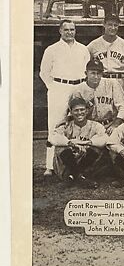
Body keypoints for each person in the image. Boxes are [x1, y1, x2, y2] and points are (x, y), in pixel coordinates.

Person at [39, 20, 89, 176]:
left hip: (78, 87)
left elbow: (87, 70)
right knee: (55, 125)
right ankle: (50, 166)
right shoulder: (52, 49)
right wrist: (54, 87)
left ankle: (81, 163)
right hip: (59, 88)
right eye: (66, 29)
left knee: (80, 121)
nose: (69, 32)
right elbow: (44, 72)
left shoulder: (83, 49)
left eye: (72, 29)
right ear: (60, 31)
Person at [48, 97, 110, 188]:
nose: (79, 113)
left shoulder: (96, 125)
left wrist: (86, 143)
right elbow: (53, 138)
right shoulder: (66, 125)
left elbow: (105, 139)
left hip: (87, 163)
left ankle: (73, 177)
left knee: (97, 148)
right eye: (76, 110)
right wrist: (70, 143)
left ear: (87, 111)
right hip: (67, 165)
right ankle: (79, 176)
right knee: (60, 147)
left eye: (82, 110)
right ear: (71, 112)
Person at [67, 59, 124, 135]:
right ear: (86, 73)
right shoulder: (78, 90)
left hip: (110, 124)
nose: (96, 76)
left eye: (98, 73)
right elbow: (73, 112)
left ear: (102, 74)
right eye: (93, 73)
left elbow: (123, 107)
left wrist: (115, 124)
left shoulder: (112, 84)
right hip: (89, 127)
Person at [87, 13, 124, 91]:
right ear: (104, 24)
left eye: (115, 25)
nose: (113, 28)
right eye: (110, 24)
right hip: (101, 81)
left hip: (120, 81)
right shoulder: (93, 45)